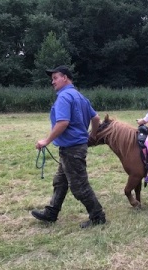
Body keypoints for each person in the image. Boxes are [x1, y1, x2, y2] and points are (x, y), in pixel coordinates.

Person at [31, 65, 106, 228]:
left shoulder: (64, 97)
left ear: (65, 77)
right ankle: (51, 213)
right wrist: (92, 135)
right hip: (73, 148)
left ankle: (98, 216)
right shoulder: (79, 96)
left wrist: (46, 140)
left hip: (72, 149)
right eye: (52, 79)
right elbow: (96, 118)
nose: (53, 82)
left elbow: (63, 122)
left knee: (79, 186)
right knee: (60, 181)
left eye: (55, 78)